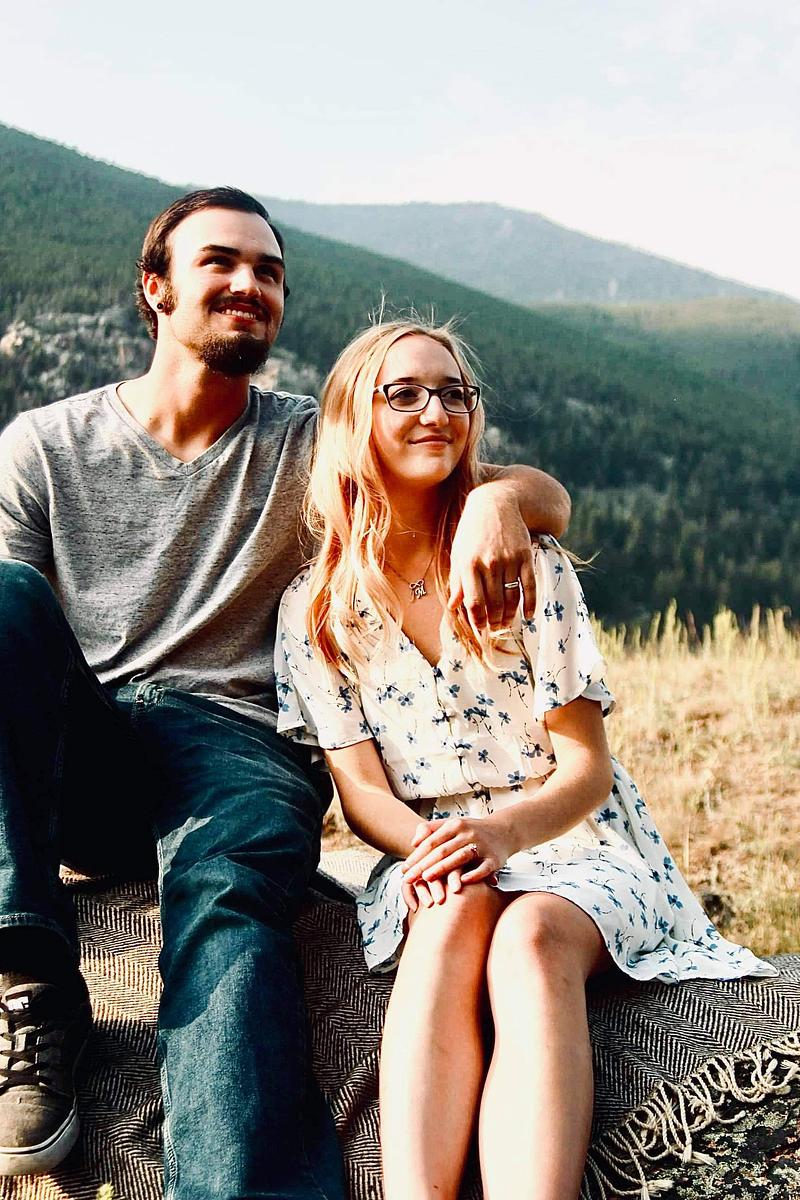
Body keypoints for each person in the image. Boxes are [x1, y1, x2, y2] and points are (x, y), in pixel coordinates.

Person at [0, 189, 570, 1195]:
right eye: (220, 262)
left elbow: (524, 488)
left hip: (238, 748)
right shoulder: (43, 447)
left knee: (226, 898)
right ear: (155, 286)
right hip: (88, 751)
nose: (249, 284)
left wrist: (497, 500)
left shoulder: (312, 446)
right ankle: (30, 983)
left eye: (268, 272)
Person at [274, 319, 776, 1200]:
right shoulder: (316, 608)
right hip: (433, 843)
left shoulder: (527, 565)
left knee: (531, 938)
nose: (436, 412)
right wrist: (437, 850)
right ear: (354, 418)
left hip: (574, 839)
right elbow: (360, 793)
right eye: (404, 394)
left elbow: (586, 769)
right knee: (450, 916)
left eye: (454, 394)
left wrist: (503, 834)